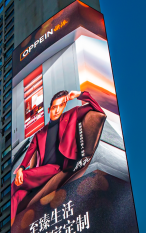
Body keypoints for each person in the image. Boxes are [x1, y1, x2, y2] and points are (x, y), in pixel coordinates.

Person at [11, 90, 105, 221]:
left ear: (64, 106)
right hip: (40, 172)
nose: (57, 110)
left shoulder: (72, 114)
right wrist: (21, 168)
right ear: (49, 110)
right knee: (17, 196)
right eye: (54, 107)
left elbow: (97, 109)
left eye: (61, 106)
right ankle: (11, 228)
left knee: (18, 182)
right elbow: (29, 152)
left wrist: (79, 95)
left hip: (56, 168)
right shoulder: (39, 134)